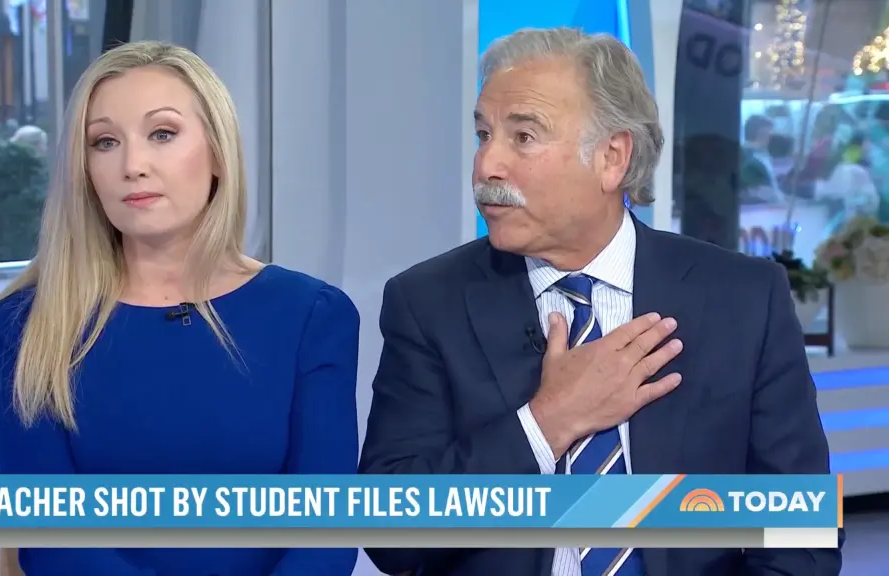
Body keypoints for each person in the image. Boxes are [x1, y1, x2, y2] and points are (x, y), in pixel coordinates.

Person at [359, 28, 841, 576]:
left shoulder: (744, 299)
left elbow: (800, 529)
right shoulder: (429, 303)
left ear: (612, 158)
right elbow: (389, 535)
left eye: (523, 137)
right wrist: (547, 423)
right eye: (483, 134)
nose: (487, 165)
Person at [0, 41, 360, 576]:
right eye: (105, 142)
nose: (133, 165)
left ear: (218, 153)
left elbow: (326, 533)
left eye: (163, 134)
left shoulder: (311, 317)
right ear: (84, 170)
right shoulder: (24, 328)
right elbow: (54, 541)